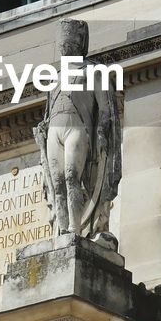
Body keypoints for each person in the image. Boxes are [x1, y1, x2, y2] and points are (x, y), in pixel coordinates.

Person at [35, 20, 122, 248]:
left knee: (72, 176)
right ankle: (62, 230)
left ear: (79, 43)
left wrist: (102, 131)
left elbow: (105, 107)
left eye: (70, 42)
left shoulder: (93, 71)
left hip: (79, 129)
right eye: (62, 43)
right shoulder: (55, 77)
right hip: (55, 131)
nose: (65, 46)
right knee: (57, 183)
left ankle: (76, 227)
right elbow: (48, 111)